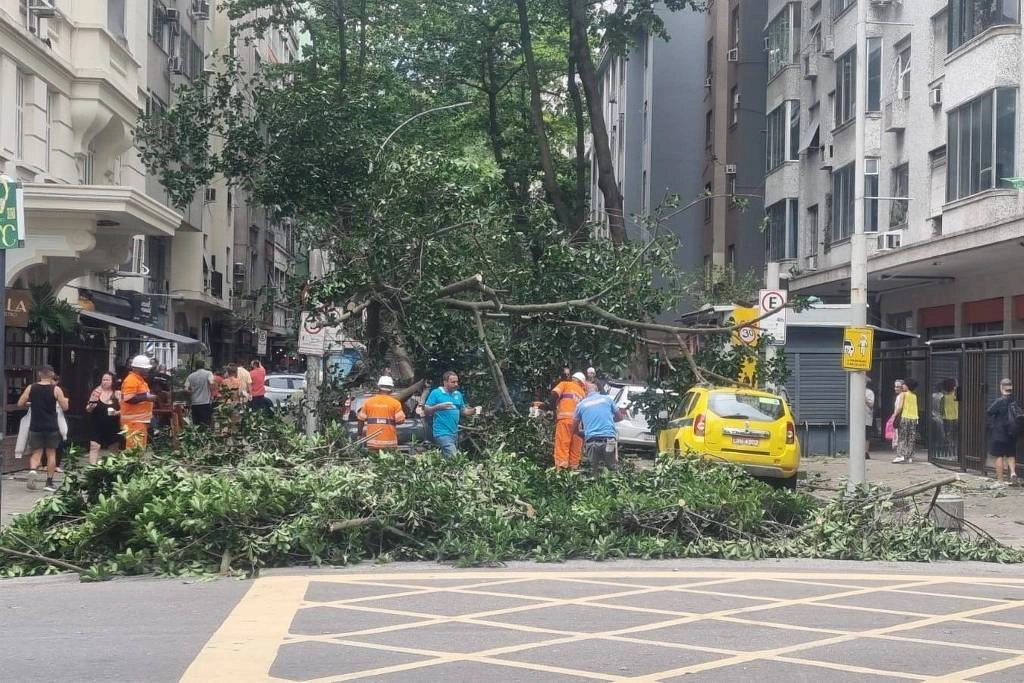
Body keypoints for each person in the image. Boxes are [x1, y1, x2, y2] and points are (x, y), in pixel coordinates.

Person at [17, 365, 70, 492]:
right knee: (51, 453)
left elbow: (20, 403)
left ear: (40, 374)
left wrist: (30, 403)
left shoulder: (31, 387)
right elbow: (65, 407)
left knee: (36, 453)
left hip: (36, 426)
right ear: (52, 375)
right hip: (51, 426)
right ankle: (49, 482)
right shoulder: (56, 389)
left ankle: (33, 471)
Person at [572, 383, 625, 475]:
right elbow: (620, 417)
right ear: (598, 391)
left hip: (592, 441)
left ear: (586, 392)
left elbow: (574, 428)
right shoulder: (607, 399)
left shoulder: (581, 405)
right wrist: (608, 421)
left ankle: (595, 483)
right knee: (612, 469)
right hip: (609, 440)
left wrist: (584, 433)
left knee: (594, 471)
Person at [424, 371, 479, 459]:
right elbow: (426, 411)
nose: (456, 384)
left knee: (447, 459)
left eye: (457, 382)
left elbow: (464, 411)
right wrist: (438, 407)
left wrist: (474, 410)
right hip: (442, 433)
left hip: (454, 433)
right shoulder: (436, 393)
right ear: (445, 382)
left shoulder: (458, 394)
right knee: (454, 458)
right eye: (453, 382)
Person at [357, 376, 406, 451]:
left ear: (378, 387)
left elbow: (360, 419)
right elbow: (400, 421)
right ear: (391, 389)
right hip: (389, 443)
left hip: (372, 443)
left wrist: (359, 435)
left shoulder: (369, 402)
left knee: (374, 462)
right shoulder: (395, 403)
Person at [550, 371, 587, 469]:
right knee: (575, 447)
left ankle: (561, 469)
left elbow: (554, 394)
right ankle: (573, 470)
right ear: (582, 383)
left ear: (573, 379)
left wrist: (552, 408)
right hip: (578, 424)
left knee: (563, 443)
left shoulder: (565, 384)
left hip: (565, 419)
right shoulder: (583, 393)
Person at [987, 378, 1020, 486]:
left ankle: (1000, 480)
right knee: (1011, 455)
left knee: (999, 456)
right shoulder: (1015, 400)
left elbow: (989, 411)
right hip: (1012, 432)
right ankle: (1013, 473)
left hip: (999, 433)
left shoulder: (1000, 401)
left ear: (1002, 388)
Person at [121, 355, 157, 450]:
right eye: (145, 369)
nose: (147, 371)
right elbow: (128, 399)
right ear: (137, 368)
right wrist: (147, 397)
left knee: (139, 449)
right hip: (134, 422)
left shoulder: (139, 380)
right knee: (134, 450)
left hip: (139, 421)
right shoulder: (131, 380)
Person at [86, 372, 121, 464]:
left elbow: (125, 410)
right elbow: (88, 409)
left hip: (112, 424)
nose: (104, 382)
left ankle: (115, 467)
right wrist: (91, 407)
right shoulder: (96, 392)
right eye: (103, 379)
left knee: (113, 447)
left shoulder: (117, 394)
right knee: (94, 445)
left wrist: (116, 412)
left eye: (107, 380)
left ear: (113, 381)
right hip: (97, 423)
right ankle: (92, 467)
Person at [892, 378, 920, 464]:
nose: (902, 385)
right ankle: (909, 456)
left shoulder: (903, 394)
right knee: (911, 438)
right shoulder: (914, 396)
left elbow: (900, 407)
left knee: (902, 437)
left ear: (907, 386)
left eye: (904, 384)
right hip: (914, 418)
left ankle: (900, 455)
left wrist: (894, 415)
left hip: (905, 417)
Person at [185, 359, 215, 427]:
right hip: (205, 402)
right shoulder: (208, 373)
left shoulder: (191, 376)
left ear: (195, 367)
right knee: (205, 423)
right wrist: (212, 395)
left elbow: (186, 389)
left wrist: (192, 392)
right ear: (203, 366)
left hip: (194, 403)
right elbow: (211, 384)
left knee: (196, 424)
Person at [864, 379, 875, 461]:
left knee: (867, 435)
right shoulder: (854, 390)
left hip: (866, 417)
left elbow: (871, 405)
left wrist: (865, 399)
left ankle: (866, 452)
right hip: (856, 418)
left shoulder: (869, 392)